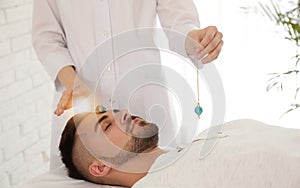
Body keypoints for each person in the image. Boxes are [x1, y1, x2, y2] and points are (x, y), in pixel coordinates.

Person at [32, 0, 224, 169]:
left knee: (163, 178)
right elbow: (46, 38)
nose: (122, 116)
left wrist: (194, 39)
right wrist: (75, 84)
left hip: (145, 99)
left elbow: (178, 20)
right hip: (82, 103)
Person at [59, 109, 300, 188]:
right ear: (100, 167)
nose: (124, 113)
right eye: (107, 125)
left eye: (115, 110)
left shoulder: (212, 134)